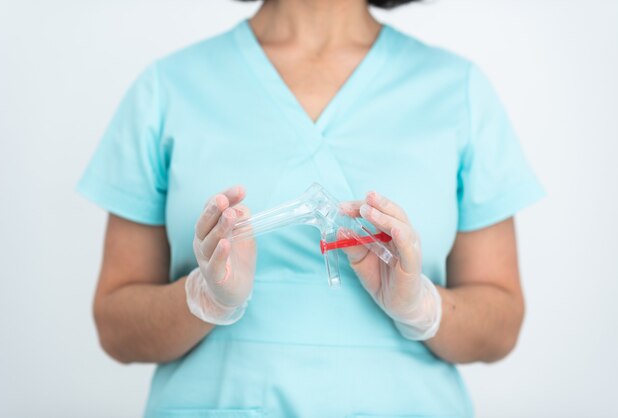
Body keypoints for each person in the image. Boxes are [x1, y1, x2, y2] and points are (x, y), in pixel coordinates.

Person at [77, 0, 544, 416]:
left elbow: (500, 326)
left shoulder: (456, 89)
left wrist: (421, 306)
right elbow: (116, 327)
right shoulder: (169, 87)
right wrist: (204, 299)